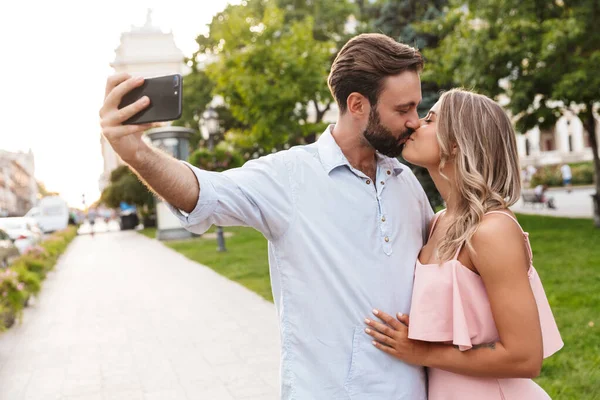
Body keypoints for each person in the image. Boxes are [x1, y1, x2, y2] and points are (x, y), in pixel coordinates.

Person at [100, 34, 433, 399]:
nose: (415, 121)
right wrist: (135, 151)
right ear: (357, 105)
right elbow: (204, 194)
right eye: (404, 110)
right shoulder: (288, 176)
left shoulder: (406, 184)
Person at [363, 89, 563, 399]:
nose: (415, 124)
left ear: (456, 143)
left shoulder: (492, 230)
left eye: (430, 119)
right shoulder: (437, 222)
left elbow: (525, 356)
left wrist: (420, 353)